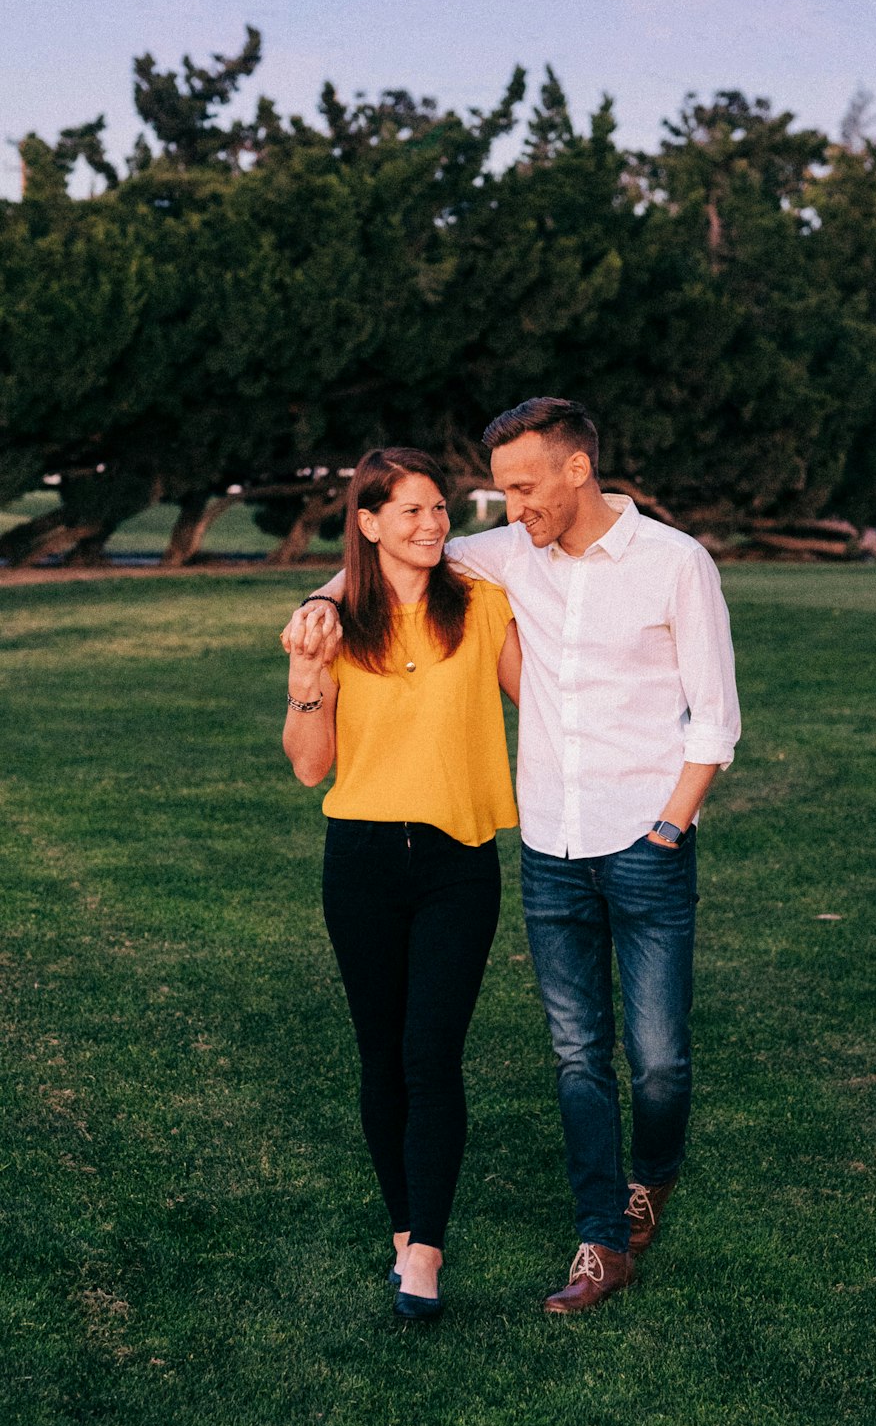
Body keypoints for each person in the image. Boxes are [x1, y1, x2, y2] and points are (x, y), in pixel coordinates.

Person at [285, 400, 740, 1315]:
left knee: (631, 1061)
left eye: (519, 487)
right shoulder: (425, 592)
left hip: (563, 847)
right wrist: (312, 619)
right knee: (520, 1055)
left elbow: (667, 711)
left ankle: (633, 1180)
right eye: (496, 491)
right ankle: (526, 1239)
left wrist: (666, 814)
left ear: (578, 470)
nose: (479, 513)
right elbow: (369, 595)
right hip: (461, 854)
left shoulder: (605, 574)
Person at [283, 447, 520, 1321]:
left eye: (438, 508)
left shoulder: (483, 605)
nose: (431, 524)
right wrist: (309, 682)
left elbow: (545, 701)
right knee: (381, 1055)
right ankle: (400, 1227)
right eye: (410, 511)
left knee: (432, 1054)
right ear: (369, 521)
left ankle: (426, 1252)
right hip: (362, 861)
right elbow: (310, 768)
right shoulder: (332, 624)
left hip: (461, 861)